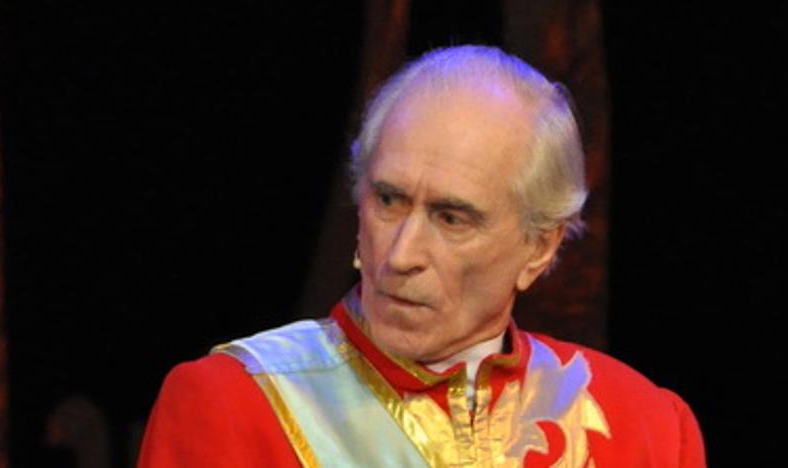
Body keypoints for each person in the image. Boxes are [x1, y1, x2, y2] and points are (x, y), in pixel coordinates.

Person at [138, 45, 706, 467]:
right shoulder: (234, 402)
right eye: (388, 200)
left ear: (540, 247)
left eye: (451, 217)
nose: (401, 255)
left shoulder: (647, 426)